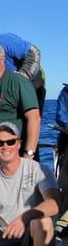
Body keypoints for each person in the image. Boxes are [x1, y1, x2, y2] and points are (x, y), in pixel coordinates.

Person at [0, 41, 41, 176]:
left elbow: (34, 118)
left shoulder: (17, 81)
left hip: (16, 158)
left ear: (2, 60)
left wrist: (28, 156)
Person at [55, 83, 68, 232]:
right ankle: (63, 220)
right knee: (64, 182)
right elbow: (60, 115)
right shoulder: (65, 91)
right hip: (67, 141)